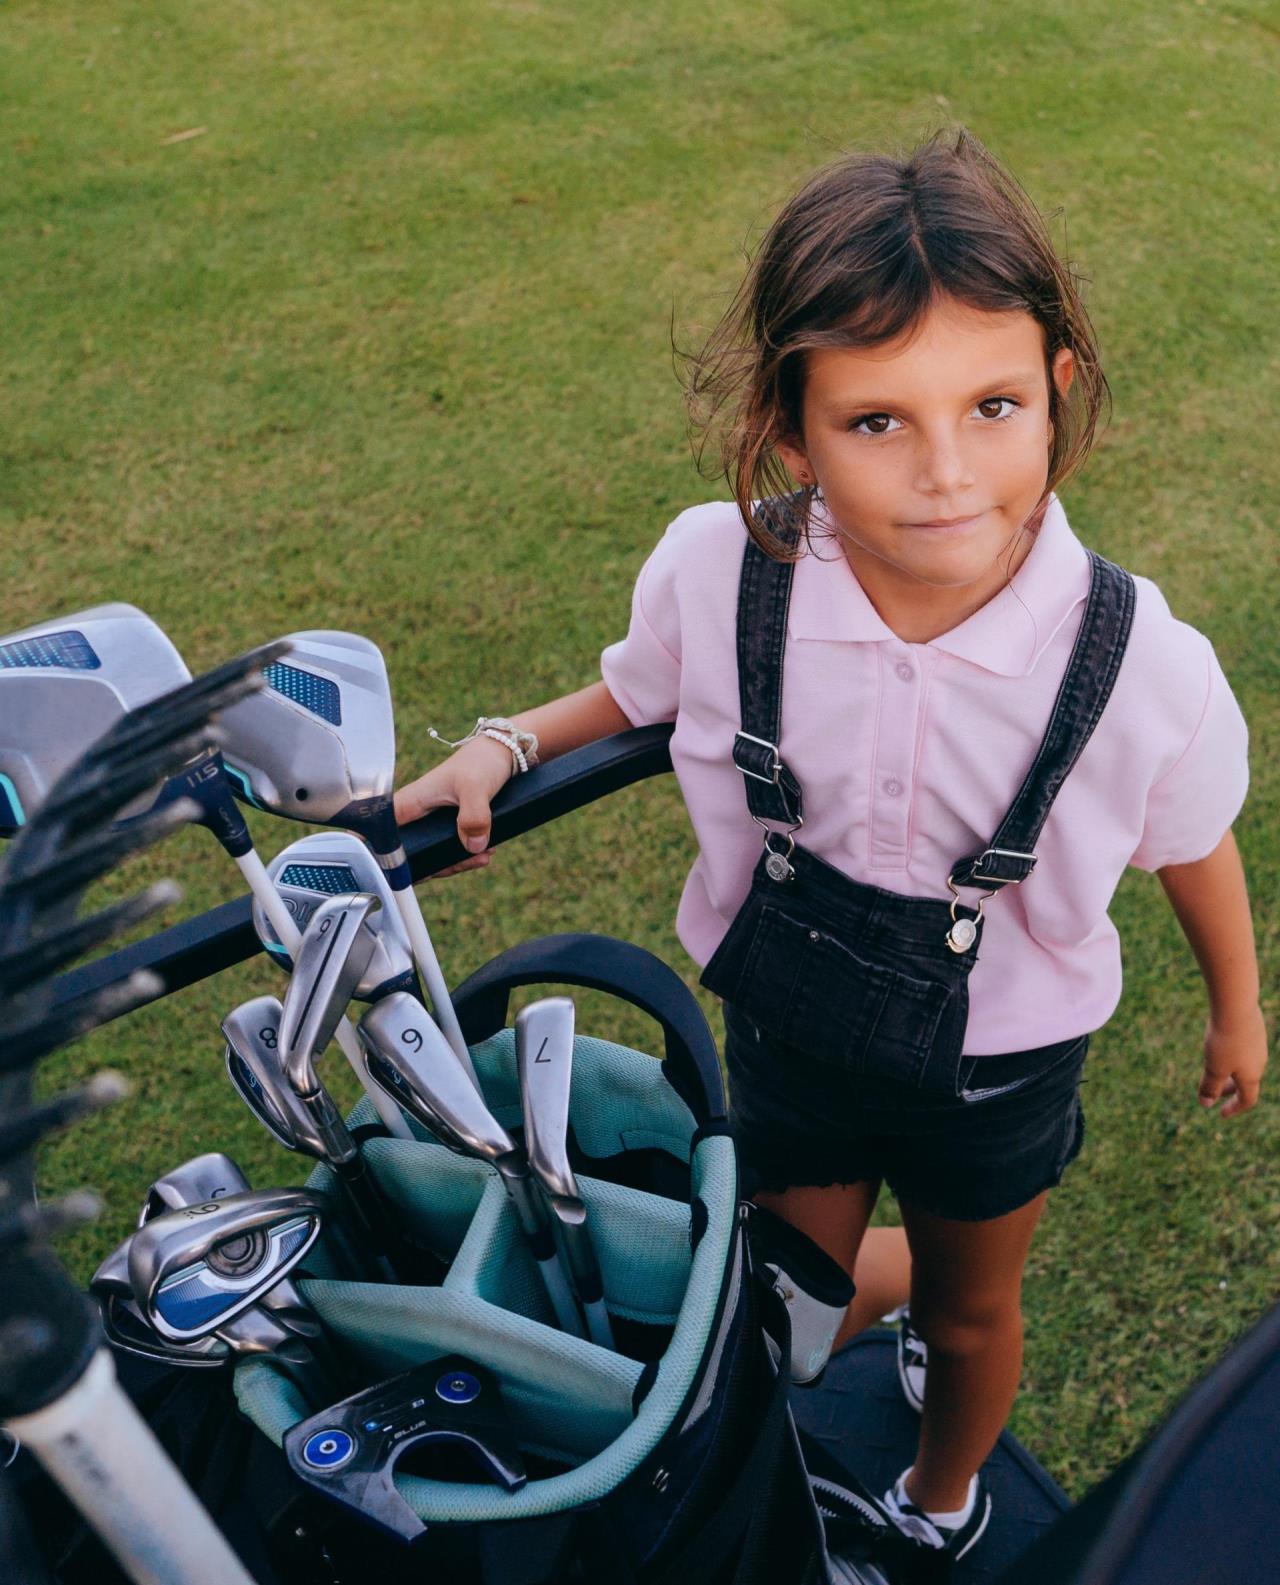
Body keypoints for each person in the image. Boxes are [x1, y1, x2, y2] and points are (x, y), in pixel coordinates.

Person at [394, 125, 1265, 1575]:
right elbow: (635, 689)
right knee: (784, 1294)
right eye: (876, 421)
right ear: (789, 430)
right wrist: (507, 743)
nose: (944, 473)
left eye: (991, 405)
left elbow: (1195, 845)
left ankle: (940, 1499)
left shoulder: (1140, 664)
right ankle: (903, 1287)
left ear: (1058, 389)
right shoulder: (719, 572)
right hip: (792, 1018)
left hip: (999, 1062)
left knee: (982, 1310)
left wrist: (1238, 1004)